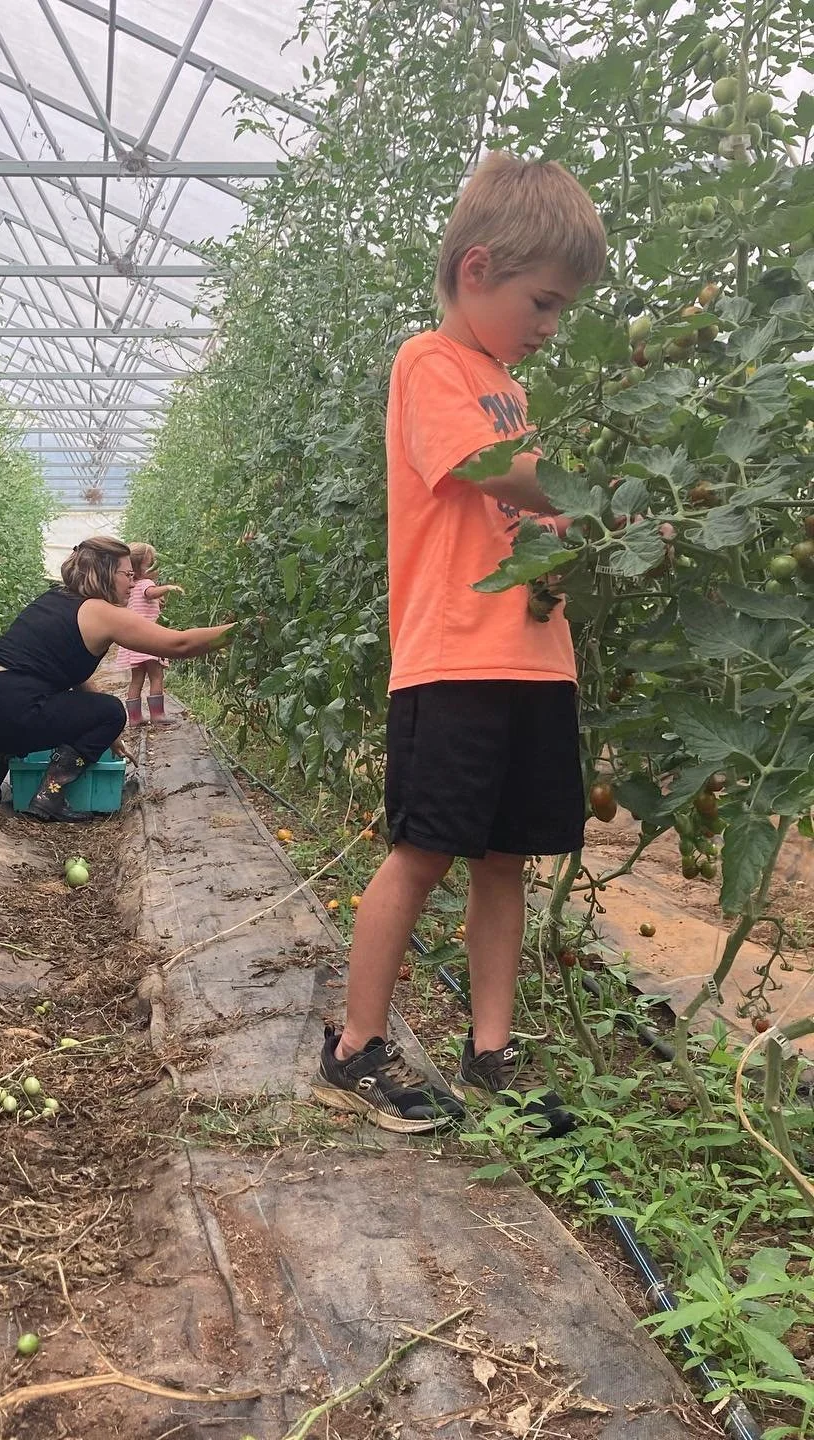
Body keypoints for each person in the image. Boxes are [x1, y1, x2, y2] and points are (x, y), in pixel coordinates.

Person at [311, 152, 607, 1137]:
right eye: (545, 301)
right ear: (477, 269)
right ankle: (355, 1047)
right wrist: (598, 493)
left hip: (532, 658)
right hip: (454, 659)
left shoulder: (514, 387)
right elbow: (495, 470)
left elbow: (535, 506)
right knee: (422, 854)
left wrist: (595, 527)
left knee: (504, 859)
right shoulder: (430, 363)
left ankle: (491, 1055)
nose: (551, 325)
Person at [0, 536, 233, 821]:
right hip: (5, 706)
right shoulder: (102, 612)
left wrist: (102, 734)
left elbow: (66, 672)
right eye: (128, 575)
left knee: (85, 710)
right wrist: (240, 629)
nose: (133, 583)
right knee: (111, 711)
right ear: (106, 572)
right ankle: (49, 795)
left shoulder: (54, 598)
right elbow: (179, 645)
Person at [115, 543, 185, 727]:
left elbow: (145, 602)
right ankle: (157, 715)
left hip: (133, 641)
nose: (155, 568)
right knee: (156, 676)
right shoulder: (146, 583)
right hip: (150, 640)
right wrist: (168, 588)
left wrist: (159, 603)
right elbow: (150, 593)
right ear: (138, 568)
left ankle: (135, 718)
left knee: (136, 679)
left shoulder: (130, 587)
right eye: (151, 565)